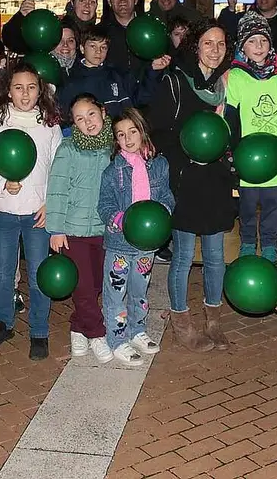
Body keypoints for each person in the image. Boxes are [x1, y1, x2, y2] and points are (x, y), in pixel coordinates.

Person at [148, 20, 236, 353]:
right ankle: (182, 323)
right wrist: (189, 156)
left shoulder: (228, 84)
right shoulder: (176, 79)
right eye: (208, 43)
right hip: (185, 178)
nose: (215, 50)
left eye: (221, 44)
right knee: (183, 255)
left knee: (215, 256)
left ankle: (213, 320)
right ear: (195, 46)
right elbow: (159, 130)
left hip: (215, 179)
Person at [0, 62, 62, 359]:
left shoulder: (50, 124)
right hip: (4, 211)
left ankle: (39, 330)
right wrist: (3, 183)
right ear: (7, 91)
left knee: (40, 273)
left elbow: (58, 167)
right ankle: (3, 322)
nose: (25, 94)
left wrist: (51, 202)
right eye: (18, 87)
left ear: (40, 90)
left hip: (38, 213)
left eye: (31, 87)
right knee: (3, 272)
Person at [97, 109, 174, 366]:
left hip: (147, 245)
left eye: (132, 131)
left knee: (140, 290)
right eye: (121, 135)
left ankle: (137, 330)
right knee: (115, 292)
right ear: (115, 140)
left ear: (142, 131)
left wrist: (163, 212)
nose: (128, 138)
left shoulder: (159, 165)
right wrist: (118, 219)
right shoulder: (113, 171)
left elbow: (166, 197)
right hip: (120, 243)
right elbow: (105, 205)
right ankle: (117, 339)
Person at [226, 11, 277, 262]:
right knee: (247, 206)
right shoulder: (236, 77)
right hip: (249, 158)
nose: (258, 47)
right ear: (242, 46)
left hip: (275, 158)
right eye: (251, 41)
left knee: (272, 205)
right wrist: (231, 148)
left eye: (263, 40)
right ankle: (248, 241)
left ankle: (269, 243)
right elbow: (231, 115)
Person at [46, 94, 114, 363]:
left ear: (103, 112)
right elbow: (57, 190)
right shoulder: (68, 148)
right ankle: (97, 334)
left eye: (91, 114)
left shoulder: (114, 147)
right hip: (73, 230)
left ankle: (77, 327)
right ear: (73, 123)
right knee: (84, 286)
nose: (88, 122)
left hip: (105, 230)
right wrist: (55, 229)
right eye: (80, 118)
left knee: (96, 284)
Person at [57, 25, 169, 121]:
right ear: (82, 48)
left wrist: (154, 70)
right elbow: (66, 119)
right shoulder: (72, 82)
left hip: (123, 138)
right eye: (92, 46)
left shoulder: (119, 74)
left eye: (103, 47)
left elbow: (142, 98)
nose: (98, 51)